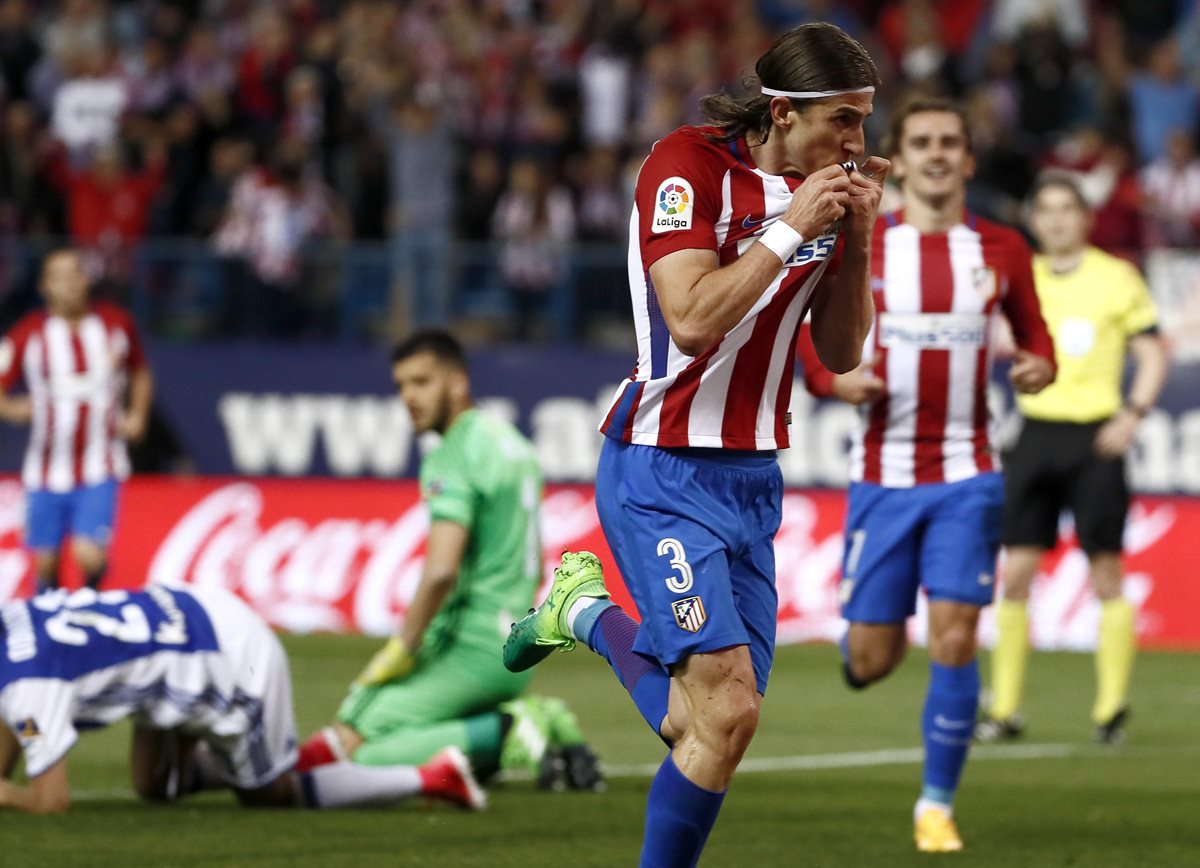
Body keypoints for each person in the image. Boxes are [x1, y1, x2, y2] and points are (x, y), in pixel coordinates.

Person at [505, 23, 886, 866]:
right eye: (844, 120)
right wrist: (790, 228)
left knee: (715, 721)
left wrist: (855, 236)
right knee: (718, 713)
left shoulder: (825, 187)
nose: (858, 142)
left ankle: (587, 614)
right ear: (783, 112)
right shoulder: (686, 165)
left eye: (864, 121)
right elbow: (690, 321)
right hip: (661, 467)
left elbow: (843, 350)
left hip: (752, 479)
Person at [795, 96, 1056, 852]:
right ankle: (870, 640)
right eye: (922, 142)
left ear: (969, 161)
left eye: (951, 142)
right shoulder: (864, 242)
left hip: (968, 474)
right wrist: (833, 381)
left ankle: (935, 805)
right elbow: (812, 344)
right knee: (873, 660)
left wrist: (1040, 367)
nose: (938, 153)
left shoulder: (1003, 248)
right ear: (900, 160)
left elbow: (1036, 341)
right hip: (882, 474)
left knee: (954, 639)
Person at [296, 330, 602, 791]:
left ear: (457, 382)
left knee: (352, 748)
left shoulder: (453, 455)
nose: (409, 398)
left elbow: (441, 571)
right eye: (401, 385)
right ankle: (521, 726)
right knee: (421, 750)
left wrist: (404, 647)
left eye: (421, 382)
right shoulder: (513, 445)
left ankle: (510, 730)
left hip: (470, 649)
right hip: (518, 645)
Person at [0, 584, 484, 813]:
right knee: (152, 785)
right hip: (188, 617)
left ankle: (432, 776)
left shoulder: (27, 688)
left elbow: (51, 800)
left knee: (271, 796)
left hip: (233, 656)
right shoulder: (13, 621)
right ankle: (292, 755)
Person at [977, 173, 1169, 746]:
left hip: (1095, 438)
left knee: (1105, 570)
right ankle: (1004, 709)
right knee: (1016, 572)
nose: (1058, 220)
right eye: (1048, 210)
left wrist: (1132, 414)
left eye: (1068, 209)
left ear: (1086, 218)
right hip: (1035, 433)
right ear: (1034, 220)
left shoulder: (1116, 277)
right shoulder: (1021, 276)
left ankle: (1110, 710)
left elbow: (1153, 350)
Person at [0, 247, 153, 594]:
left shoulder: (116, 324)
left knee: (89, 555)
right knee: (46, 561)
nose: (68, 284)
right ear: (45, 286)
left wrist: (137, 414)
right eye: (59, 277)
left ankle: (87, 602)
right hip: (45, 467)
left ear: (87, 279)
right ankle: (53, 612)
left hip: (100, 463)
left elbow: (140, 372)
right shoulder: (28, 333)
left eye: (75, 274)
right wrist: (10, 408)